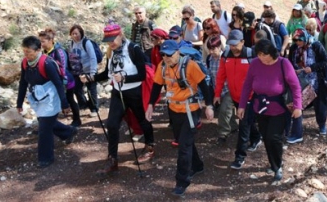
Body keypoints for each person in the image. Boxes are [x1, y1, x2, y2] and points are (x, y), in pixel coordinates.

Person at [146, 40, 214, 197]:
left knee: (183, 146)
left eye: (169, 55)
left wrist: (209, 106)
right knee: (186, 142)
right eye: (163, 55)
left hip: (191, 110)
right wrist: (150, 105)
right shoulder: (162, 67)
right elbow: (156, 86)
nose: (166, 58)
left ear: (177, 52)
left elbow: (204, 85)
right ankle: (197, 165)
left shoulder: (190, 66)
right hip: (174, 110)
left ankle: (181, 182)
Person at [92, 22, 155, 174]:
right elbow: (107, 72)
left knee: (142, 119)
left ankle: (150, 146)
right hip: (117, 92)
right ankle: (113, 159)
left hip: (134, 92)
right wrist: (90, 78)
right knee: (112, 124)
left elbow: (141, 74)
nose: (110, 43)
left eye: (113, 38)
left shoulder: (134, 49)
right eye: (108, 40)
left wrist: (124, 78)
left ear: (121, 35)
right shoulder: (111, 52)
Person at [237, 39, 302, 183]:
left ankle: (277, 166)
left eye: (264, 55)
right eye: (259, 54)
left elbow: (295, 86)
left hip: (279, 108)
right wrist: (242, 105)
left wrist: (298, 106)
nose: (261, 58)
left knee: (274, 137)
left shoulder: (283, 63)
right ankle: (273, 163)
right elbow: (247, 85)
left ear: (271, 52)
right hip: (260, 108)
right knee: (266, 137)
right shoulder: (254, 63)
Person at [16, 36, 77, 168]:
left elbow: (58, 84)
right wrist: (19, 103)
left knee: (44, 129)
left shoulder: (47, 63)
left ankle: (45, 158)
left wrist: (64, 104)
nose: (27, 55)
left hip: (51, 97)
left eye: (29, 52)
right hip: (38, 97)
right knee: (46, 122)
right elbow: (23, 83)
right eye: (24, 51)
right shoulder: (25, 63)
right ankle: (68, 132)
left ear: (38, 50)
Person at [214, 30, 261, 169]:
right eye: (230, 44)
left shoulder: (251, 55)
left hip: (249, 97)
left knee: (243, 126)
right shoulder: (226, 55)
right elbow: (221, 76)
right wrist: (217, 94)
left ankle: (239, 157)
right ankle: (257, 137)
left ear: (242, 42)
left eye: (235, 44)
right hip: (234, 96)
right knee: (248, 121)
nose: (233, 47)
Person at [288, 28, 327, 135]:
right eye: (296, 40)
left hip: (316, 80)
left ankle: (322, 125)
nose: (298, 43)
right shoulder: (294, 48)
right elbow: (289, 62)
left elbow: (325, 61)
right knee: (297, 103)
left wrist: (312, 68)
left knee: (319, 105)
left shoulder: (316, 45)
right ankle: (296, 128)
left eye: (300, 40)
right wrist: (293, 70)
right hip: (299, 81)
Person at [38, 28, 81, 127]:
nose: (41, 44)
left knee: (69, 99)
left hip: (66, 82)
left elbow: (63, 70)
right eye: (40, 41)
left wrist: (62, 86)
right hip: (54, 82)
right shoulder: (45, 52)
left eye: (43, 41)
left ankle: (77, 120)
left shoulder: (59, 52)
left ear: (51, 40)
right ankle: (49, 125)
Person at [206, 36, 237, 145]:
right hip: (217, 90)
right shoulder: (209, 59)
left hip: (229, 89)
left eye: (213, 48)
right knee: (226, 111)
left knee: (224, 111)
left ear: (220, 47)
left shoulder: (227, 58)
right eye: (209, 49)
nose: (211, 51)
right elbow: (210, 76)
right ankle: (233, 126)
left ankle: (223, 134)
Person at [68, 24, 98, 118]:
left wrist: (93, 72)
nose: (75, 36)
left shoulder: (86, 42)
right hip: (78, 71)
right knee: (77, 89)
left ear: (81, 33)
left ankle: (94, 109)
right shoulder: (71, 44)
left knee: (91, 90)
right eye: (73, 34)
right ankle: (83, 105)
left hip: (89, 70)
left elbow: (93, 57)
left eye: (76, 33)